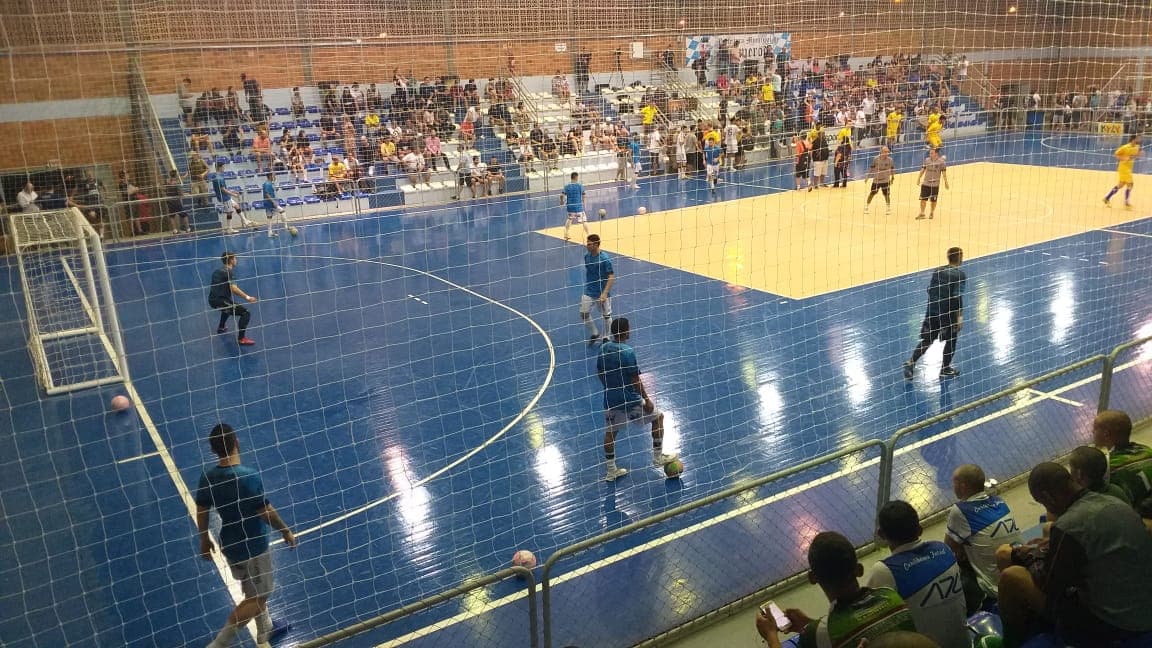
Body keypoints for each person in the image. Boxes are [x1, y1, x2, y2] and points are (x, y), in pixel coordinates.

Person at [997, 462, 1152, 647]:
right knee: (1048, 530)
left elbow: (1049, 584)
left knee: (1012, 576)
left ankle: (1012, 642)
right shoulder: (1114, 502)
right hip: (1141, 603)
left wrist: (1026, 554)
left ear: (1047, 497)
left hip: (1113, 625)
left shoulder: (1069, 526)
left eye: (1041, 501)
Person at [195, 423, 295, 648]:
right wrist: (286, 530)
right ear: (237, 442)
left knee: (252, 589)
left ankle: (266, 629)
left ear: (213, 450)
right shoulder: (248, 477)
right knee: (258, 598)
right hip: (254, 548)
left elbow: (201, 511)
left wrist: (204, 539)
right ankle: (219, 644)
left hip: (229, 545)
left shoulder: (207, 477)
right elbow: (266, 512)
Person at [755, 531, 916, 648]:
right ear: (859, 569)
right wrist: (809, 625)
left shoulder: (816, 636)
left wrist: (771, 635)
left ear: (813, 578)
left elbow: (831, 634)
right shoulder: (892, 596)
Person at [867, 501, 970, 648]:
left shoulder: (884, 571)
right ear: (920, 530)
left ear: (881, 535)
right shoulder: (943, 549)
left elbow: (870, 620)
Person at [596, 317, 676, 482]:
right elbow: (635, 380)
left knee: (610, 432)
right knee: (658, 417)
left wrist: (608, 387)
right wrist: (646, 400)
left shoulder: (603, 349)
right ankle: (657, 457)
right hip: (630, 400)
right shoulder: (627, 352)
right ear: (626, 331)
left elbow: (599, 372)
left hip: (611, 398)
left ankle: (611, 472)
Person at [944, 463, 1022, 613]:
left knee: (953, 564)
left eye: (954, 483)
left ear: (962, 486)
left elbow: (949, 547)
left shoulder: (960, 511)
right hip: (1019, 569)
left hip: (996, 587)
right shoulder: (999, 501)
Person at [904, 246, 966, 379]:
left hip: (932, 311)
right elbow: (957, 297)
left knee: (928, 339)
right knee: (951, 340)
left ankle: (911, 362)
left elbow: (931, 290)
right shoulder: (960, 275)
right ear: (960, 258)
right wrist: (959, 316)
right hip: (947, 313)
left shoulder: (937, 271)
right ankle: (945, 368)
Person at [1091, 409, 1152, 505]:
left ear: (1106, 435)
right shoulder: (1147, 451)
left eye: (1094, 429)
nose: (1092, 432)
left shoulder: (1106, 468)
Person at [208, 252, 258, 346]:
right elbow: (233, 288)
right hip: (220, 301)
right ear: (231, 260)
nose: (236, 260)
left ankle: (221, 327)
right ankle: (241, 339)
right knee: (245, 313)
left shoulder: (217, 271)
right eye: (235, 258)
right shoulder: (229, 272)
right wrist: (248, 297)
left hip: (212, 300)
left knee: (228, 305)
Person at [581, 234, 614, 347]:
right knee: (584, 313)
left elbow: (611, 277)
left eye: (589, 244)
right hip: (589, 291)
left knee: (606, 316)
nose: (587, 245)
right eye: (587, 243)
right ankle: (595, 333)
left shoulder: (605, 259)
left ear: (596, 244)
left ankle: (607, 337)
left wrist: (604, 293)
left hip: (602, 292)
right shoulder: (587, 257)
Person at [210, 165, 254, 234]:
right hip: (224, 198)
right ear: (220, 167)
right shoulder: (219, 178)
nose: (224, 168)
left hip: (225, 196)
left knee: (236, 206)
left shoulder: (214, 176)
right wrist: (234, 195)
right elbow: (223, 189)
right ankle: (229, 228)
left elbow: (223, 188)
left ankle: (245, 220)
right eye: (223, 167)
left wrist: (232, 192)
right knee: (229, 212)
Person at [1103, 133, 1140, 209]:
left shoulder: (1137, 147)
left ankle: (1107, 198)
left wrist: (1138, 155)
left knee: (1120, 185)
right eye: (1137, 138)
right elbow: (1116, 154)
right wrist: (1123, 158)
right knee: (1130, 184)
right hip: (1123, 168)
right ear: (1133, 139)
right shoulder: (1125, 147)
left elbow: (1133, 156)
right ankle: (1126, 203)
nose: (1139, 139)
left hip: (1129, 169)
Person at [915, 148, 949, 220]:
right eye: (930, 153)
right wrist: (918, 178)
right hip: (925, 184)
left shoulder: (941, 162)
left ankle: (932, 212)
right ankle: (922, 213)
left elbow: (944, 173)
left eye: (932, 153)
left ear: (936, 154)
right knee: (923, 199)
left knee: (933, 201)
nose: (930, 154)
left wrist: (946, 183)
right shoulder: (927, 160)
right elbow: (923, 170)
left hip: (935, 185)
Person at [864, 146, 895, 215]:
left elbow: (892, 169)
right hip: (876, 180)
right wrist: (867, 177)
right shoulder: (876, 159)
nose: (887, 153)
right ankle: (866, 207)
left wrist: (893, 177)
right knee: (872, 194)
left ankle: (888, 208)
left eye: (888, 152)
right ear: (881, 152)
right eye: (885, 152)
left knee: (886, 195)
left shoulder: (890, 160)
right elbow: (871, 168)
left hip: (885, 180)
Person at [261, 173, 290, 238]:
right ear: (270, 176)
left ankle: (270, 233)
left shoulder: (269, 183)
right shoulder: (267, 184)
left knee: (269, 217)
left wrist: (275, 189)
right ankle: (285, 226)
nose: (275, 177)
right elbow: (267, 194)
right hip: (270, 202)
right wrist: (273, 201)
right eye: (274, 176)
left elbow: (270, 191)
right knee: (282, 211)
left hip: (267, 202)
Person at [561, 172, 588, 241]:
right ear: (576, 177)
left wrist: (562, 202)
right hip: (578, 207)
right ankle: (588, 235)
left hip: (570, 206)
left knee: (570, 219)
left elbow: (562, 195)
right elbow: (584, 195)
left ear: (571, 177)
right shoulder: (579, 185)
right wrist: (584, 204)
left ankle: (566, 234)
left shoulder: (566, 186)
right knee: (584, 220)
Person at [163, 169, 191, 234]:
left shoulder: (167, 182)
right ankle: (188, 229)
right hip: (176, 202)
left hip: (170, 202)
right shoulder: (176, 184)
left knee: (172, 216)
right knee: (184, 215)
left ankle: (174, 230)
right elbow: (181, 194)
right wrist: (186, 194)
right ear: (176, 175)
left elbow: (164, 190)